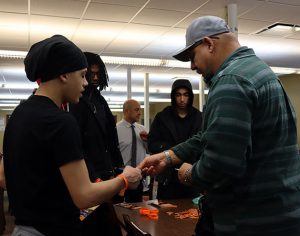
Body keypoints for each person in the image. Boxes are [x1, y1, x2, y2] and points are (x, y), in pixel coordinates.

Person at [139, 16, 300, 236]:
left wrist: (189, 174)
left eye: (192, 56)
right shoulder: (258, 70)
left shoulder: (231, 81)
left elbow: (221, 165)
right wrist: (168, 156)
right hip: (279, 214)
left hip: (250, 221)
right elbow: (210, 136)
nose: (193, 66)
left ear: (209, 44)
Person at [3, 35, 142, 236]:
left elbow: (3, 177)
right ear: (64, 75)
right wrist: (124, 179)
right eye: (82, 74)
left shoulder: (18, 114)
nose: (86, 83)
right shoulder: (61, 121)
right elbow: (84, 197)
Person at [69, 52, 124, 185]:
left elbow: (111, 138)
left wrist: (118, 167)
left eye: (98, 74)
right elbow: (78, 145)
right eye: (90, 74)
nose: (95, 78)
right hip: (88, 173)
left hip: (107, 169)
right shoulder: (75, 101)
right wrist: (93, 176)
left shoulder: (100, 101)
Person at [147, 79, 202, 200]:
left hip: (191, 175)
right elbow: (151, 143)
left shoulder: (199, 117)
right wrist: (171, 150)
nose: (182, 99)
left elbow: (203, 145)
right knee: (166, 214)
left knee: (191, 214)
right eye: (178, 95)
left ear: (190, 96)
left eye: (185, 95)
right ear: (173, 96)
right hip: (168, 177)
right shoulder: (162, 117)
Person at [117, 99, 148, 202]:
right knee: (119, 208)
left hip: (139, 178)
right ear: (126, 111)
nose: (140, 113)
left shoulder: (142, 129)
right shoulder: (115, 130)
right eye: (136, 110)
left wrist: (148, 141)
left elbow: (149, 151)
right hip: (121, 178)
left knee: (137, 209)